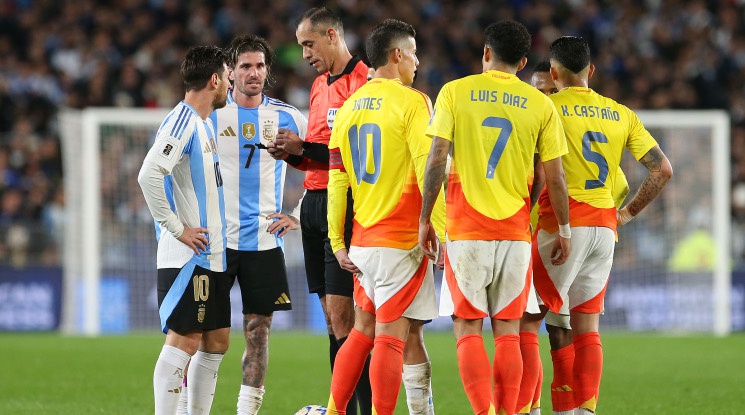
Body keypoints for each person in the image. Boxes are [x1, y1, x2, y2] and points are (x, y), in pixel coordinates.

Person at [419, 21, 571, 415]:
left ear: (486, 52)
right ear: (522, 62)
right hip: (515, 231)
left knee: (468, 327)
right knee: (508, 332)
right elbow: (553, 177)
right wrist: (564, 229)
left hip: (467, 227)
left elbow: (436, 159)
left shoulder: (454, 92)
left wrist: (425, 220)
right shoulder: (541, 104)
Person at [531, 36, 672, 415]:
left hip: (561, 226)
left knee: (527, 323)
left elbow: (537, 172)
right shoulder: (620, 113)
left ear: (553, 73)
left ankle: (533, 408)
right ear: (591, 70)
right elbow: (662, 170)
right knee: (586, 328)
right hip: (604, 229)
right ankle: (582, 411)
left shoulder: (546, 107)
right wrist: (626, 214)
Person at [325, 19, 447, 415]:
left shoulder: (347, 107)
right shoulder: (413, 102)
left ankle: (334, 410)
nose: (417, 61)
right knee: (391, 338)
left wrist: (337, 241)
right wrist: (441, 229)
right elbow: (429, 168)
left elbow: (337, 181)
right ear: (397, 55)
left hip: (362, 241)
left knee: (362, 332)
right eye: (413, 53)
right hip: (401, 241)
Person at [266, 8, 372, 415]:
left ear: (332, 35)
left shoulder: (364, 82)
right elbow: (318, 156)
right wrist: (292, 154)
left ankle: (358, 409)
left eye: (309, 44)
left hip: (343, 205)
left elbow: (357, 158)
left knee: (347, 321)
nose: (304, 54)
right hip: (314, 204)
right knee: (332, 320)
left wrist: (304, 149)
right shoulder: (316, 86)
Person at [516, 60, 632, 415]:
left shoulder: (554, 133)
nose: (544, 98)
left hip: (556, 236)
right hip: (569, 235)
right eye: (537, 92)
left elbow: (618, 185)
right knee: (560, 329)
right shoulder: (529, 135)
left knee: (533, 325)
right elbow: (620, 187)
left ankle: (533, 409)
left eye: (549, 91)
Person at [208, 34, 306, 415]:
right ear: (230, 72)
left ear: (268, 71)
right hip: (217, 243)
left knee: (258, 333)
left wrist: (298, 214)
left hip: (264, 243)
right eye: (245, 66)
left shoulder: (288, 117)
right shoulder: (211, 114)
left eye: (260, 66)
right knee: (206, 337)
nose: (254, 73)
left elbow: (325, 165)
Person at [137, 45, 230, 415]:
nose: (230, 84)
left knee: (216, 341)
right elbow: (149, 174)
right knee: (185, 340)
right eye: (228, 77)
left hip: (212, 255)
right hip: (189, 257)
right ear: (214, 80)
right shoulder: (182, 121)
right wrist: (177, 229)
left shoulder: (204, 124)